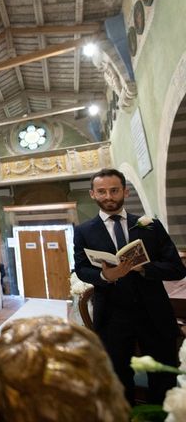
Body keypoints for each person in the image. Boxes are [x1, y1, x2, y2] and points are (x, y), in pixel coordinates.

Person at [74, 168, 186, 404]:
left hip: (154, 312)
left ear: (125, 191)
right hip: (113, 315)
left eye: (114, 190)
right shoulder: (83, 231)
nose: (109, 196)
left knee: (163, 374)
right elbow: (82, 269)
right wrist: (105, 275)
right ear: (92, 194)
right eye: (102, 191)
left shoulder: (149, 226)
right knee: (118, 378)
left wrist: (143, 268)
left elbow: (177, 268)